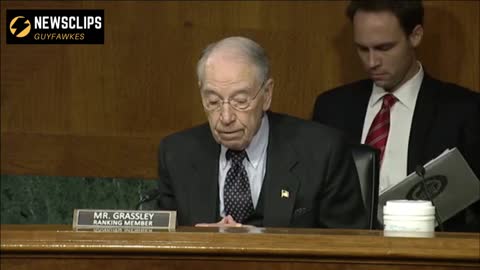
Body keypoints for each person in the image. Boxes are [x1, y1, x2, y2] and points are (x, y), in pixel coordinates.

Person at [156, 36, 368, 229]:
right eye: (213, 101)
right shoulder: (176, 154)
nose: (226, 117)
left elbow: (347, 250)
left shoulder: (323, 151)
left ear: (266, 95)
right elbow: (163, 245)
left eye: (240, 101)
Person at [312, 0, 480, 232]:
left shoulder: (464, 110)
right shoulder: (331, 108)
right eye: (362, 49)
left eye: (384, 48)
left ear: (415, 35)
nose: (372, 62)